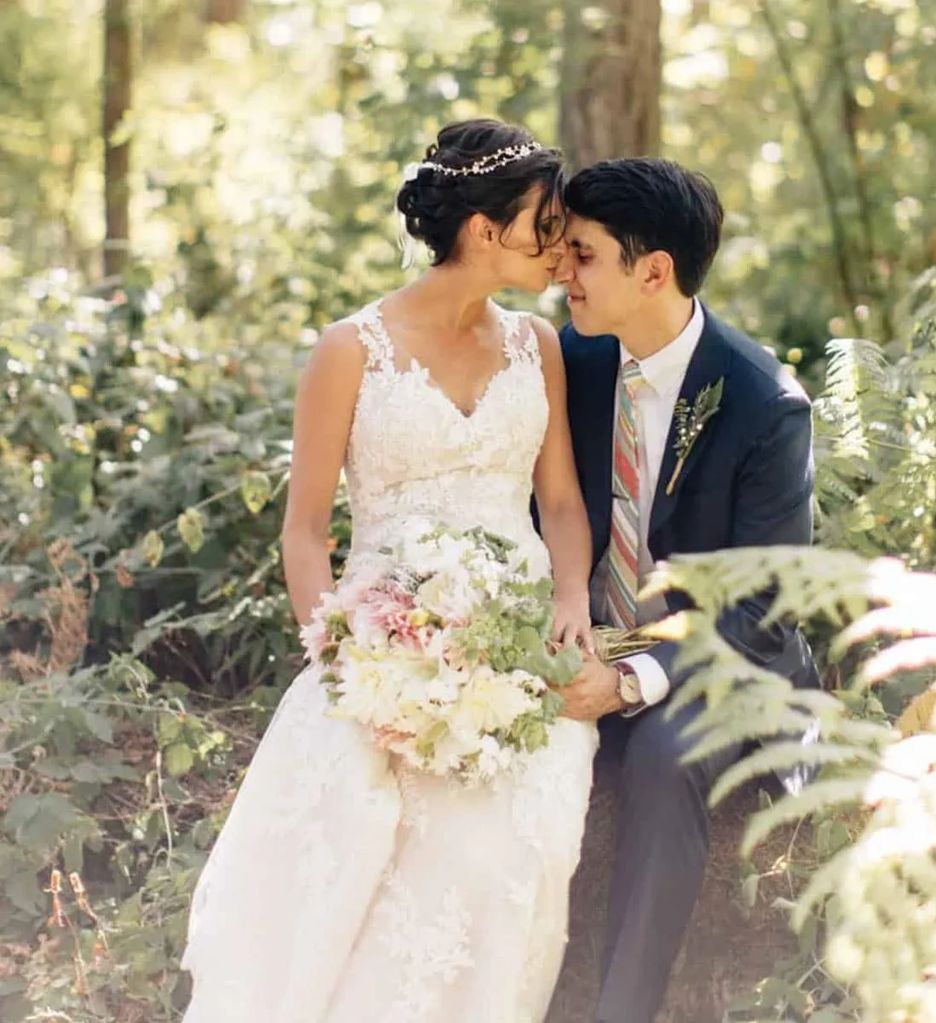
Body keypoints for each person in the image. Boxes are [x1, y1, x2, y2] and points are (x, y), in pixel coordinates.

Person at [179, 119, 600, 1023]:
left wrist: (570, 597)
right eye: (547, 222)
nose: (561, 243)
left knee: (507, 849)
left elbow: (560, 502)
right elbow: (303, 532)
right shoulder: (350, 349)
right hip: (376, 647)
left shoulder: (539, 347)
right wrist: (341, 658)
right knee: (358, 813)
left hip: (517, 643)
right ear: (485, 232)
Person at [552, 158, 820, 1023]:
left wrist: (627, 678)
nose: (562, 270)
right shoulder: (571, 363)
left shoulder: (763, 403)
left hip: (724, 665)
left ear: (652, 270)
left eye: (584, 255)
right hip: (583, 637)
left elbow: (761, 608)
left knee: (662, 760)